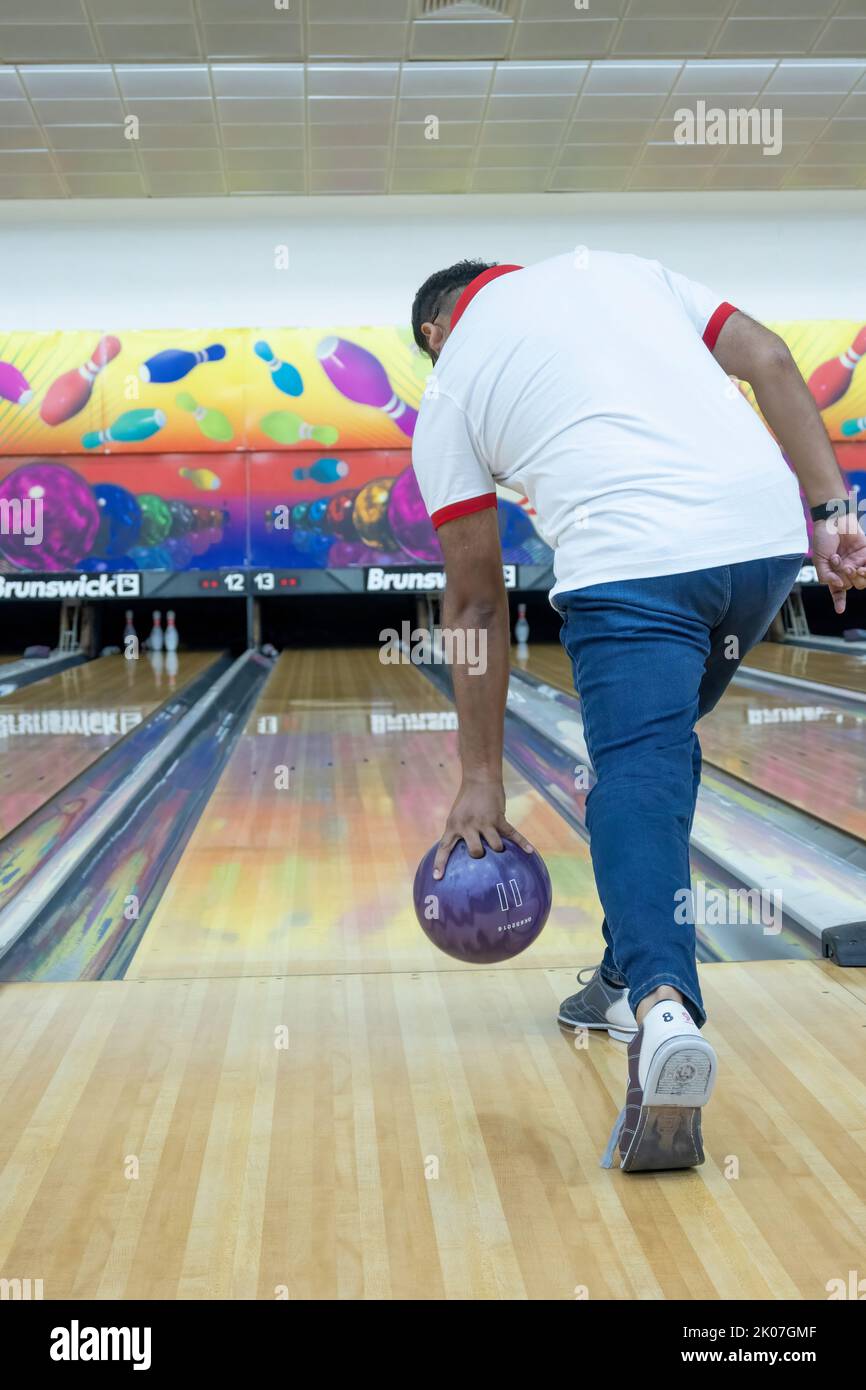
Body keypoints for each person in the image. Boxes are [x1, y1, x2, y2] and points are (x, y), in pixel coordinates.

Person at [409, 251, 866, 1173]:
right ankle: (622, 969)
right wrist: (833, 512)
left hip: (632, 568)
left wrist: (481, 778)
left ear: (433, 331)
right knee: (651, 763)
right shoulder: (621, 270)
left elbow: (474, 601)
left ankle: (661, 1013)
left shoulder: (452, 383)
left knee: (636, 772)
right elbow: (771, 359)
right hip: (761, 550)